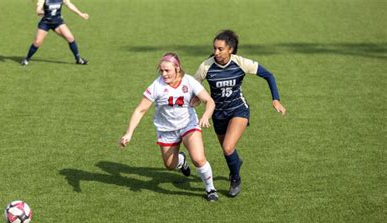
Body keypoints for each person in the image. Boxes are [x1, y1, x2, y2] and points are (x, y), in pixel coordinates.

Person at [194, 29, 286, 197]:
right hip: (218, 114)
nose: (216, 52)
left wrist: (276, 99)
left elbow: (269, 75)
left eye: (220, 49)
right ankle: (237, 162)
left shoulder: (240, 62)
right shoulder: (206, 66)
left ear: (230, 49)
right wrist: (196, 100)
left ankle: (235, 178)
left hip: (238, 109)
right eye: (214, 48)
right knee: (227, 150)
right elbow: (194, 87)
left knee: (228, 148)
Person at [120, 52, 219, 202]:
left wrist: (206, 115)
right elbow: (140, 110)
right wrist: (129, 133)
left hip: (188, 125)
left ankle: (210, 188)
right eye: (161, 70)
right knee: (170, 165)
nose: (164, 74)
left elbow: (209, 101)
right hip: (166, 130)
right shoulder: (156, 86)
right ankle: (181, 161)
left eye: (167, 70)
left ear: (177, 68)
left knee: (199, 159)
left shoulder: (189, 81)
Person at [21, 0, 89, 66]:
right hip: (45, 23)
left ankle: (78, 59)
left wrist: (81, 14)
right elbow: (38, 10)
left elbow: (69, 5)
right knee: (37, 42)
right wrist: (43, 12)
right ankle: (27, 59)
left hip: (57, 22)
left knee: (70, 38)